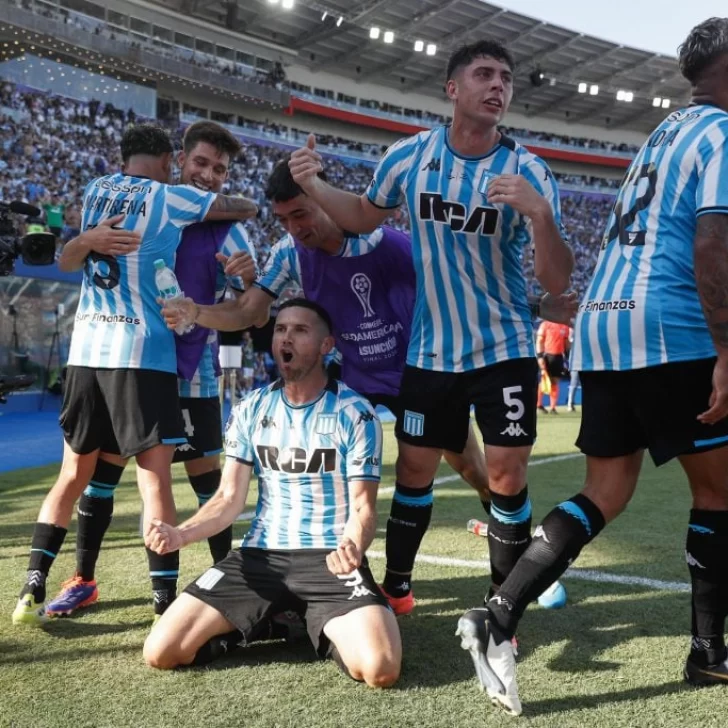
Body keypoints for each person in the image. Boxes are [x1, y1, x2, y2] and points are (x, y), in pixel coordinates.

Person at [455, 18, 728, 715]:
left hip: (602, 327)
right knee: (720, 491)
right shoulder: (722, 134)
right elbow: (712, 245)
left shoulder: (663, 135)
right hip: (670, 328)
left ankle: (498, 613)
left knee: (604, 490)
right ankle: (707, 653)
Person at [164, 158, 576, 615]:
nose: (294, 228)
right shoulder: (288, 255)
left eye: (301, 214)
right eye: (283, 220)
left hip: (417, 374)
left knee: (479, 473)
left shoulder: (391, 244)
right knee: (339, 478)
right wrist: (196, 311)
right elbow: (249, 311)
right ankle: (347, 575)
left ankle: (523, 569)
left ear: (322, 199)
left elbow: (469, 287)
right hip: (352, 380)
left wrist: (540, 304)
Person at [287, 39, 573, 625]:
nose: (499, 86)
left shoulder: (530, 171)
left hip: (504, 349)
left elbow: (556, 276)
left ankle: (503, 608)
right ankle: (397, 589)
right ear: (452, 88)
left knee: (505, 476)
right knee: (414, 472)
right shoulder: (409, 158)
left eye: (506, 78)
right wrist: (313, 184)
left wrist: (540, 215)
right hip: (431, 352)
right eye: (485, 74)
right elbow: (364, 214)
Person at [12, 123, 258, 626]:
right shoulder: (171, 201)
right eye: (201, 164)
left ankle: (229, 581)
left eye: (219, 170)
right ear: (178, 160)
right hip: (141, 359)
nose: (208, 175)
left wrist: (247, 276)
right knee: (104, 475)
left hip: (190, 371)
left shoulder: (226, 230)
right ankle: (83, 578)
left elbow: (249, 308)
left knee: (205, 480)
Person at [143, 299, 401, 688]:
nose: (286, 337)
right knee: (162, 652)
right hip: (260, 557)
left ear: (326, 345)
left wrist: (353, 544)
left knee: (380, 669)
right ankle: (268, 622)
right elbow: (229, 497)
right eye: (281, 329)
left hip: (330, 557)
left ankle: (318, 624)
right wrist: (182, 534)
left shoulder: (356, 413)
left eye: (300, 330)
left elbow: (363, 506)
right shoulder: (251, 408)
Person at [536, 320, 571, 414]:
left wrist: (567, 356)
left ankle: (552, 407)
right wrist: (540, 356)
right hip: (546, 356)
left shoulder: (564, 326)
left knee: (555, 381)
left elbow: (566, 343)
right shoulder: (545, 324)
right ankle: (538, 405)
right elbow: (539, 341)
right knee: (544, 380)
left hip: (558, 357)